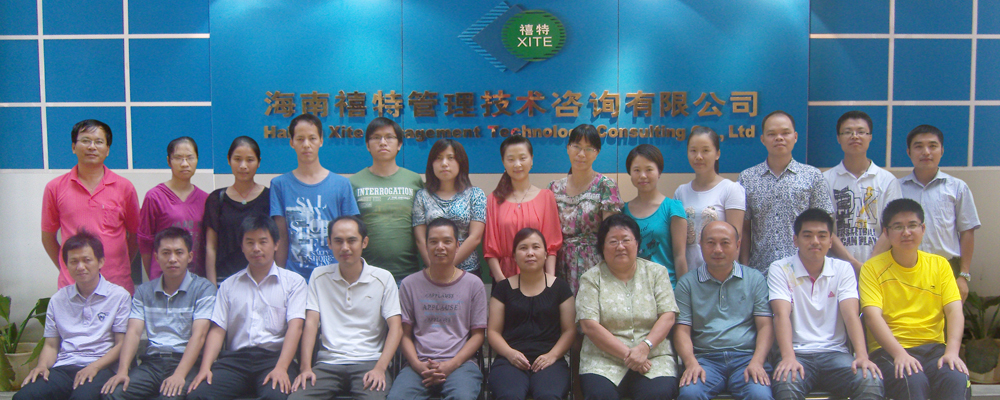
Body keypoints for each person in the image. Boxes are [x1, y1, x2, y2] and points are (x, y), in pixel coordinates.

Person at [187, 215, 307, 400]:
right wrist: (205, 368)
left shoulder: (294, 283)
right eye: (250, 242)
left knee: (276, 396)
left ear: (276, 244)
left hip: (274, 359)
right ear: (242, 247)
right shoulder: (228, 285)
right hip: (235, 361)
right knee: (198, 395)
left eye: (263, 242)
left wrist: (282, 368)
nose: (256, 248)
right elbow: (217, 330)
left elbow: (296, 327)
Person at [767, 209, 883, 400]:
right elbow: (781, 314)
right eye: (807, 235)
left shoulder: (842, 269)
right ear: (795, 240)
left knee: (869, 380)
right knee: (787, 383)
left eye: (822, 236)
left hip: (836, 354)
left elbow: (851, 315)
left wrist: (862, 355)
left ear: (830, 241)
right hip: (797, 353)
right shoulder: (781, 268)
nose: (815, 241)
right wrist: (788, 357)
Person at [861, 198, 970, 400]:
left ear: (923, 228)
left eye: (912, 225)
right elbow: (872, 316)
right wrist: (900, 354)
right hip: (889, 350)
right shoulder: (872, 268)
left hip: (934, 349)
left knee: (956, 378)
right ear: (886, 232)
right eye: (898, 227)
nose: (906, 232)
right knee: (912, 379)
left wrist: (952, 352)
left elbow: (954, 310)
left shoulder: (940, 265)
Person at [289, 215, 402, 400]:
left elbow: (396, 327)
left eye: (351, 240)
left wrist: (381, 368)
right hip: (328, 363)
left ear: (364, 242)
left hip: (369, 362)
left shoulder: (383, 278)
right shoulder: (319, 277)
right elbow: (311, 323)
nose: (345, 247)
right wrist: (305, 368)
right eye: (338, 241)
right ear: (329, 243)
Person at [101, 227, 217, 400]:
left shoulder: (203, 289)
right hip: (151, 364)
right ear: (156, 257)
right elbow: (133, 332)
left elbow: (199, 336)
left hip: (187, 363)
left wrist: (179, 374)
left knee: (169, 397)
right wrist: (122, 371)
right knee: (113, 394)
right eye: (166, 253)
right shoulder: (144, 291)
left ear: (190, 256)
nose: (172, 259)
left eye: (179, 252)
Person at [16, 230, 131, 400]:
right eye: (74, 261)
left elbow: (121, 344)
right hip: (64, 367)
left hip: (101, 368)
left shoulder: (119, 296)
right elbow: (51, 345)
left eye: (87, 260)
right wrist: (42, 365)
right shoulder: (58, 300)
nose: (80, 267)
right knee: (24, 396)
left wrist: (94, 366)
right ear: (66, 265)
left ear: (100, 261)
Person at [577, 214, 680, 400]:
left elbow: (668, 316)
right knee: (601, 396)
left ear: (637, 244)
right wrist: (630, 355)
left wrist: (645, 347)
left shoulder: (657, 273)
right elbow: (589, 326)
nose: (620, 247)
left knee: (657, 394)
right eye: (613, 241)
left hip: (653, 358)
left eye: (626, 240)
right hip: (603, 362)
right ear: (602, 246)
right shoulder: (591, 278)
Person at [388, 218, 488, 400]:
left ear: (457, 246)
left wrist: (451, 364)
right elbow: (404, 334)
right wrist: (417, 365)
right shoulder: (410, 284)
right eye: (433, 241)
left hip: (461, 364)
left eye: (447, 241)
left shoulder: (474, 284)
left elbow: (478, 335)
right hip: (419, 364)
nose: (440, 247)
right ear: (426, 246)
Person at [675, 221, 773, 400]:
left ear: (737, 245)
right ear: (700, 244)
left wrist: (758, 361)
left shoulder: (754, 279)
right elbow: (682, 330)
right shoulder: (687, 283)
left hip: (747, 358)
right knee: (690, 394)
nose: (717, 250)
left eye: (725, 243)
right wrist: (690, 363)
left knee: (759, 395)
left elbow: (765, 326)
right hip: (705, 360)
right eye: (711, 243)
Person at [42, 119, 140, 293]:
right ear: (73, 147)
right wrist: (68, 269)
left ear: (107, 150)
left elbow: (135, 235)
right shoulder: (55, 188)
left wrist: (121, 266)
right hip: (73, 287)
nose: (92, 147)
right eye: (85, 141)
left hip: (117, 286)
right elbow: (48, 237)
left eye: (99, 142)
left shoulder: (125, 187)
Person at [738, 110, 833, 276]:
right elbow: (744, 229)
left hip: (803, 271)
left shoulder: (812, 176)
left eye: (785, 133)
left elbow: (824, 225)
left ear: (795, 137)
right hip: (761, 272)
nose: (779, 138)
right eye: (772, 134)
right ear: (763, 139)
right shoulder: (747, 177)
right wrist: (745, 268)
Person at [487, 228, 575, 400]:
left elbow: (569, 330)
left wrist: (552, 355)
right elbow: (493, 332)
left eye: (536, 247)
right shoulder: (503, 288)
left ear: (546, 253)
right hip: (509, 361)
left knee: (549, 396)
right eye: (523, 248)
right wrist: (510, 353)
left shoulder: (561, 288)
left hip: (550, 361)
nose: (530, 253)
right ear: (514, 255)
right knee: (509, 396)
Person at [270, 113, 360, 281]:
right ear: (291, 142)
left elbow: (351, 236)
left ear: (321, 140)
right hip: (295, 279)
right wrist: (280, 279)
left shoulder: (341, 184)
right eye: (300, 139)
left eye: (312, 138)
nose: (306, 145)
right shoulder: (279, 185)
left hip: (335, 277)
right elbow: (281, 237)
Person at [898, 124, 980, 301]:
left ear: (942, 150)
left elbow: (967, 231)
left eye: (932, 146)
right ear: (909, 152)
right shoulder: (896, 188)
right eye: (918, 146)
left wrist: (963, 275)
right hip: (904, 269)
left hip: (947, 268)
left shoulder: (957, 187)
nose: (926, 152)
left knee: (948, 318)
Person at [549, 124, 623, 293]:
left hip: (595, 263)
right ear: (568, 148)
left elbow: (611, 233)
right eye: (576, 146)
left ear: (597, 153)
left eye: (588, 149)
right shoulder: (554, 188)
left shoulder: (606, 185)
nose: (581, 154)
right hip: (559, 263)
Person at [823, 111, 901, 270]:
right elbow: (824, 228)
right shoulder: (825, 180)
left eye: (861, 132)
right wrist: (853, 264)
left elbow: (893, 226)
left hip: (880, 267)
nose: (854, 136)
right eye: (847, 132)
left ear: (870, 137)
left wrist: (869, 266)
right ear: (838, 138)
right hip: (837, 268)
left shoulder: (887, 180)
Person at [351, 117, 424, 284]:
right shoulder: (354, 183)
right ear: (367, 145)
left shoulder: (414, 180)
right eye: (376, 137)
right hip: (366, 274)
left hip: (409, 275)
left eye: (389, 137)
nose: (383, 142)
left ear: (399, 144)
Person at [485, 135, 563, 281]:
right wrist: (501, 281)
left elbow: (551, 246)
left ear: (531, 160)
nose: (517, 164)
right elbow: (490, 249)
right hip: (505, 278)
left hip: (540, 278)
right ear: (503, 162)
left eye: (522, 158)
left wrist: (550, 279)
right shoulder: (493, 200)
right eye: (511, 159)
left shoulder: (546, 197)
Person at [674, 126, 745, 273]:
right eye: (693, 151)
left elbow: (735, 241)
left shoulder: (731, 189)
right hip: (689, 274)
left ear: (717, 154)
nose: (698, 156)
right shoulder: (681, 192)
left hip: (720, 274)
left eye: (705, 150)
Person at [138, 136, 209, 279]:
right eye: (178, 158)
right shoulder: (154, 197)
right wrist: (155, 277)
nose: (184, 164)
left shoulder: (206, 199)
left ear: (197, 160)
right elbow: (145, 243)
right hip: (163, 280)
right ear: (168, 161)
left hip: (196, 280)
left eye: (190, 158)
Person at [412, 139, 486, 276]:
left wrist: (448, 267)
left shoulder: (475, 194)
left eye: (450, 158)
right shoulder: (422, 196)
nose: (444, 163)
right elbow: (420, 240)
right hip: (432, 270)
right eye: (438, 158)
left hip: (468, 271)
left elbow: (475, 237)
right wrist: (434, 268)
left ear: (460, 162)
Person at [205, 136, 270, 285]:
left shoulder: (269, 197)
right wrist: (212, 286)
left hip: (261, 280)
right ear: (229, 160)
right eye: (237, 159)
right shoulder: (216, 199)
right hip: (224, 281)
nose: (243, 166)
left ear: (259, 162)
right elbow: (211, 246)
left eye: (250, 160)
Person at [626, 144, 688, 286]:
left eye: (649, 170)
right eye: (637, 170)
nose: (643, 176)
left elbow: (680, 256)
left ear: (659, 172)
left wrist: (684, 293)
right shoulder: (623, 211)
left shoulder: (673, 208)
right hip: (633, 289)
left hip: (667, 288)